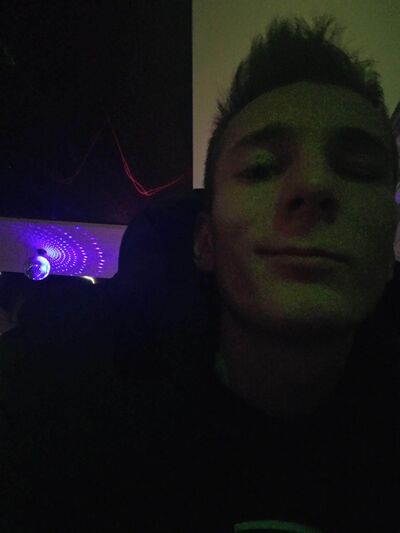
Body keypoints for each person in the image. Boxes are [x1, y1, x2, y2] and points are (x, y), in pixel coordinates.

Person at [1, 14, 399, 533]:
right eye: (261, 168)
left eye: (359, 171)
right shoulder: (50, 400)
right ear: (204, 243)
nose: (315, 185)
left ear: (388, 246)